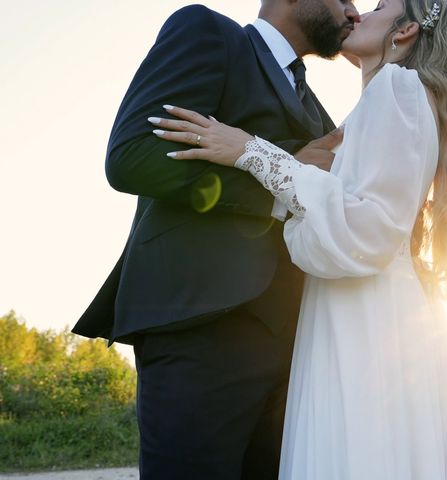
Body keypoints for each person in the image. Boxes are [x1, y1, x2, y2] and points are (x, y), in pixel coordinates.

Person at [151, 0, 447, 478]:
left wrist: (251, 152)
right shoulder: (379, 103)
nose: (358, 14)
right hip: (356, 313)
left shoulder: (397, 88)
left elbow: (368, 231)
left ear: (406, 30)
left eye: (376, 7)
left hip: (367, 321)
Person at [72, 1, 360, 479]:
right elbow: (132, 155)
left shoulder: (318, 108)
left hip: (295, 347)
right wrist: (275, 178)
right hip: (201, 331)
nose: (352, 11)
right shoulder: (210, 34)